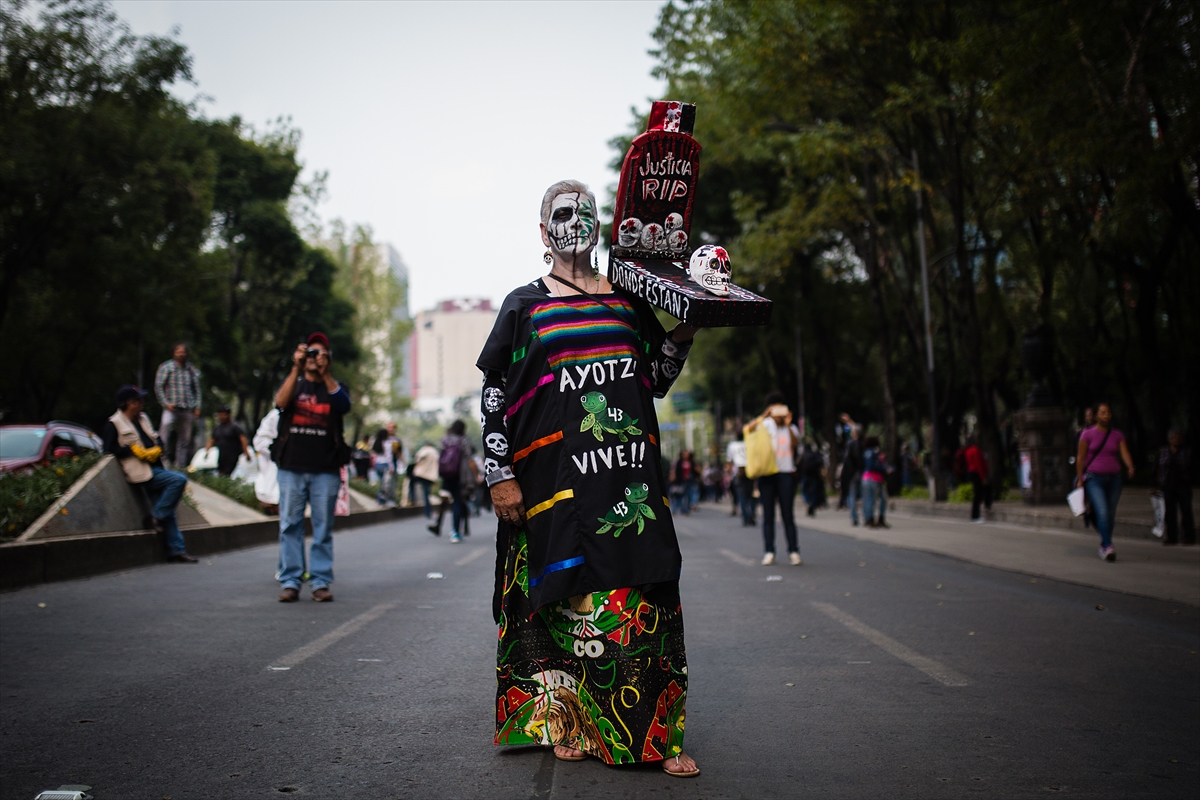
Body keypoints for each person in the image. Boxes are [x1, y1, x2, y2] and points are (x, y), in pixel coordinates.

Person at [478, 179, 699, 776]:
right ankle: (569, 721)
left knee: (644, 597)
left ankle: (658, 736)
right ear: (543, 230)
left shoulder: (629, 300)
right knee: (565, 603)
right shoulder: (523, 305)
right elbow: (495, 395)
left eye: (585, 214)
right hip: (553, 486)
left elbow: (655, 380)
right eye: (563, 213)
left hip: (628, 483)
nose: (575, 223)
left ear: (600, 226)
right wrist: (499, 473)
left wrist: (686, 329)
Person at [272, 332, 351, 602]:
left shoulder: (335, 386)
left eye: (320, 354)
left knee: (323, 527)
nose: (314, 358)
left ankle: (319, 581)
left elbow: (344, 405)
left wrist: (326, 373)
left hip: (326, 469)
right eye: (310, 353)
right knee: (289, 525)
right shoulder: (294, 383)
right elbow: (280, 403)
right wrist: (296, 368)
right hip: (291, 466)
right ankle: (290, 581)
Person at [102, 385, 197, 563]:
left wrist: (158, 448)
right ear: (130, 403)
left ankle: (176, 549)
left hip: (156, 468)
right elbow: (108, 449)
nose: (142, 403)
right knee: (178, 480)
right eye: (139, 400)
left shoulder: (143, 418)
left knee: (168, 510)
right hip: (140, 472)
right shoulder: (114, 423)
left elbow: (156, 438)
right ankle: (155, 517)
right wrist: (131, 450)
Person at [745, 391, 801, 565]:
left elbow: (796, 443)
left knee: (788, 515)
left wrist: (788, 424)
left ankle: (793, 551)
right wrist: (764, 415)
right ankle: (769, 551)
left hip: (786, 473)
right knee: (768, 515)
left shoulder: (791, 428)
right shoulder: (764, 424)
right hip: (767, 474)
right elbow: (748, 430)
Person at [1075, 402, 1135, 562]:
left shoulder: (1117, 435)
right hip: (1094, 479)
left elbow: (1124, 452)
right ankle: (1108, 546)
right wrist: (1080, 479)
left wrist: (1130, 466)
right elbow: (1080, 458)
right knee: (1102, 511)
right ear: (1096, 416)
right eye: (1102, 412)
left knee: (1110, 513)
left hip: (1114, 479)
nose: (1106, 415)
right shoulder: (1087, 434)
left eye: (1108, 412)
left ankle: (1104, 544)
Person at [154, 342, 202, 469]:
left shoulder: (191, 369)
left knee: (185, 439)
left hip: (187, 408)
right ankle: (162, 462)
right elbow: (159, 387)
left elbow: (197, 389)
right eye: (178, 352)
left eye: (183, 352)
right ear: (174, 353)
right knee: (165, 430)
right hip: (171, 407)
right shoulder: (166, 367)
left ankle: (180, 465)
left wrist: (197, 406)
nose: (181, 354)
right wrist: (165, 403)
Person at [430, 420, 476, 541]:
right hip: (459, 475)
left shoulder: (446, 439)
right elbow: (469, 457)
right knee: (458, 502)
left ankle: (438, 524)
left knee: (444, 499)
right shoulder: (463, 439)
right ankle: (456, 531)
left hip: (446, 475)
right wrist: (475, 475)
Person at [1156, 428, 1194, 546]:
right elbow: (1157, 468)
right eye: (1173, 437)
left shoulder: (1186, 452)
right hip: (1168, 485)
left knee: (1186, 511)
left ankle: (1188, 536)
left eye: (1178, 437)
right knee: (1170, 512)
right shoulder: (1164, 451)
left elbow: (1192, 468)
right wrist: (1155, 484)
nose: (1176, 439)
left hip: (1183, 485)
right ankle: (1171, 536)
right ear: (1169, 439)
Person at [207, 404, 250, 477]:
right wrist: (207, 451)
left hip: (232, 456)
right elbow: (212, 439)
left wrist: (246, 453)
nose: (222, 416)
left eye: (224, 414)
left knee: (227, 474)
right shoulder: (218, 428)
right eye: (220, 414)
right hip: (221, 456)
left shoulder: (235, 427)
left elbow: (243, 439)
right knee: (221, 474)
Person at [861, 436, 890, 528]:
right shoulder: (872, 452)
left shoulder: (866, 452)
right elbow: (872, 466)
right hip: (873, 478)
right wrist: (884, 469)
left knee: (870, 499)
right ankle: (872, 519)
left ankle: (870, 518)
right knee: (873, 499)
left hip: (869, 478)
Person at [964, 435, 992, 523]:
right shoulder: (975, 450)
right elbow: (978, 464)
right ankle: (975, 515)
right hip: (976, 473)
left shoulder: (968, 450)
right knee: (978, 494)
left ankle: (979, 512)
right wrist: (983, 477)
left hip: (972, 473)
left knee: (978, 493)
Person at [841, 424, 864, 526]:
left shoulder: (850, 444)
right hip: (860, 472)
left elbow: (848, 460)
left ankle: (854, 516)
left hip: (852, 472)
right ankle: (866, 516)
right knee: (862, 494)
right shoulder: (863, 443)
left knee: (852, 494)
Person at [409, 441, 439, 518]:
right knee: (427, 493)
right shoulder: (435, 452)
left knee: (411, 483)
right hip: (430, 476)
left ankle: (412, 498)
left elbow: (417, 458)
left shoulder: (425, 450)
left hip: (421, 474)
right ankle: (428, 511)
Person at [371, 428, 397, 506]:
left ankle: (380, 499)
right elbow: (389, 457)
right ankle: (385, 500)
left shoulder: (376, 443)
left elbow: (374, 456)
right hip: (385, 465)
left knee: (382, 483)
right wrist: (392, 467)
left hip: (377, 465)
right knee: (386, 485)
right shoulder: (387, 444)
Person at [799, 441, 824, 518]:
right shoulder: (814, 455)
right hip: (814, 475)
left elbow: (798, 464)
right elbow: (819, 462)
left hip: (805, 475)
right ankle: (813, 504)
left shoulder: (803, 455)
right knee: (813, 491)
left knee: (804, 490)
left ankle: (807, 501)